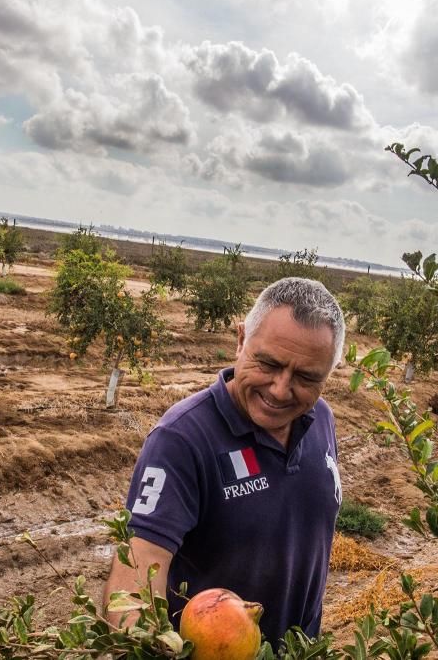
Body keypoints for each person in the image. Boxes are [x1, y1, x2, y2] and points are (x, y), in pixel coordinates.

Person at [102, 277, 346, 647]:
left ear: (330, 372)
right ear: (240, 338)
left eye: (306, 377)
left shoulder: (321, 420)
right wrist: (145, 644)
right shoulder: (182, 439)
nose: (280, 390)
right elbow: (134, 580)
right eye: (268, 363)